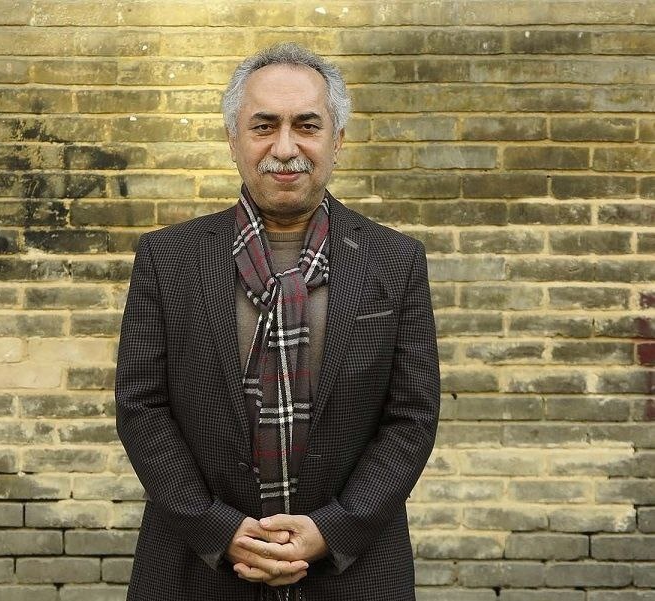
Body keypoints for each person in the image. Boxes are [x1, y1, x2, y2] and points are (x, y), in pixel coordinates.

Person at [115, 42, 440, 601]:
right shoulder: (167, 260)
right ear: (233, 138)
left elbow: (411, 417)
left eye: (306, 126)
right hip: (195, 570)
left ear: (337, 139)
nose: (285, 148)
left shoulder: (394, 261)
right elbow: (142, 407)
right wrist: (218, 530)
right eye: (264, 126)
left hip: (354, 572)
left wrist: (332, 530)